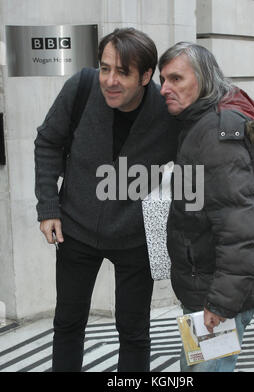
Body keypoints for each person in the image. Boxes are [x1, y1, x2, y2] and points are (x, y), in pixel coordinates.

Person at [34, 28, 179, 372]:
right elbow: (48, 142)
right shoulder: (82, 87)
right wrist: (48, 207)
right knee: (68, 324)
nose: (110, 80)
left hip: (134, 239)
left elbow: (209, 139)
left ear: (146, 76)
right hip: (76, 231)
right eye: (105, 68)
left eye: (123, 72)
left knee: (134, 332)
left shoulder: (167, 112)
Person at [158, 42, 254, 372]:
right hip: (208, 289)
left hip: (217, 296)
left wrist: (220, 304)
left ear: (203, 79)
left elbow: (240, 229)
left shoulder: (216, 136)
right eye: (163, 79)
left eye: (176, 79)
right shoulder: (197, 123)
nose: (165, 88)